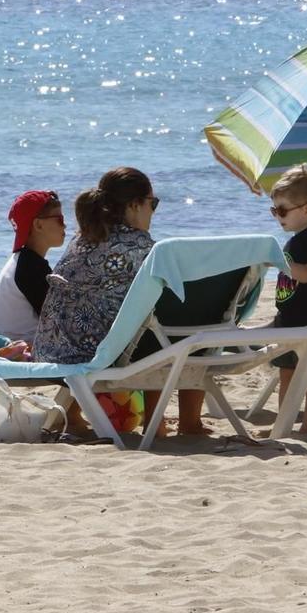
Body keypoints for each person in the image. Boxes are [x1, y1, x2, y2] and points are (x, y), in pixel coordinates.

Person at [30, 167, 206, 437]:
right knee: (165, 326)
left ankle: (80, 414)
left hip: (51, 346)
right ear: (135, 205)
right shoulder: (139, 246)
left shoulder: (84, 237)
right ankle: (176, 423)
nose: (153, 211)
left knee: (145, 321)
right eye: (153, 203)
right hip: (92, 354)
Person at [268, 165, 307, 434]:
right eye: (274, 211)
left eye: (282, 210)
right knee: (286, 375)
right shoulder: (295, 239)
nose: (277, 217)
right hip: (289, 320)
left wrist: (277, 260)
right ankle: (284, 424)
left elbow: (306, 275)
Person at [0, 189, 65, 339]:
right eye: (60, 219)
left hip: (13, 340)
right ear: (38, 225)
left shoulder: (22, 260)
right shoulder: (31, 267)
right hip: (25, 347)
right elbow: (58, 319)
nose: (64, 226)